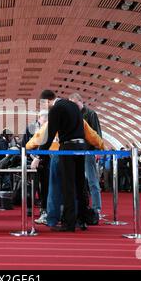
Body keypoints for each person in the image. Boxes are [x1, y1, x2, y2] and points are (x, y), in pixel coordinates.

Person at [39, 89, 88, 232]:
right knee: (80, 184)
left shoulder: (55, 109)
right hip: (81, 146)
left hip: (68, 147)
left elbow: (50, 134)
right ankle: (82, 220)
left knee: (68, 185)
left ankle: (69, 223)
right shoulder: (73, 105)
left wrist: (40, 153)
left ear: (47, 101)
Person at [68, 93, 103, 219]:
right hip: (75, 153)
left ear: (79, 101)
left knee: (92, 181)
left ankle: (97, 208)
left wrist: (97, 151)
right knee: (79, 181)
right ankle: (82, 208)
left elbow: (97, 133)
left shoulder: (91, 114)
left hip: (88, 152)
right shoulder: (72, 115)